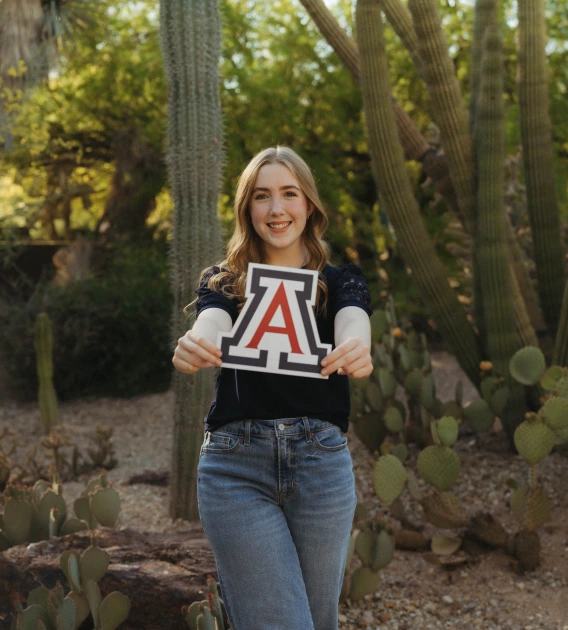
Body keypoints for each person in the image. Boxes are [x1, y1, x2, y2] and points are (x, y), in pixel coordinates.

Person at [172, 146, 373, 630]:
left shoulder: (341, 280)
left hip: (321, 466)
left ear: (309, 205)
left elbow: (353, 323)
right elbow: (213, 323)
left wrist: (355, 347)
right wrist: (197, 343)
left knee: (317, 620)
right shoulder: (222, 282)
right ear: (248, 209)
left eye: (289, 194)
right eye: (262, 196)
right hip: (235, 468)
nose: (277, 209)